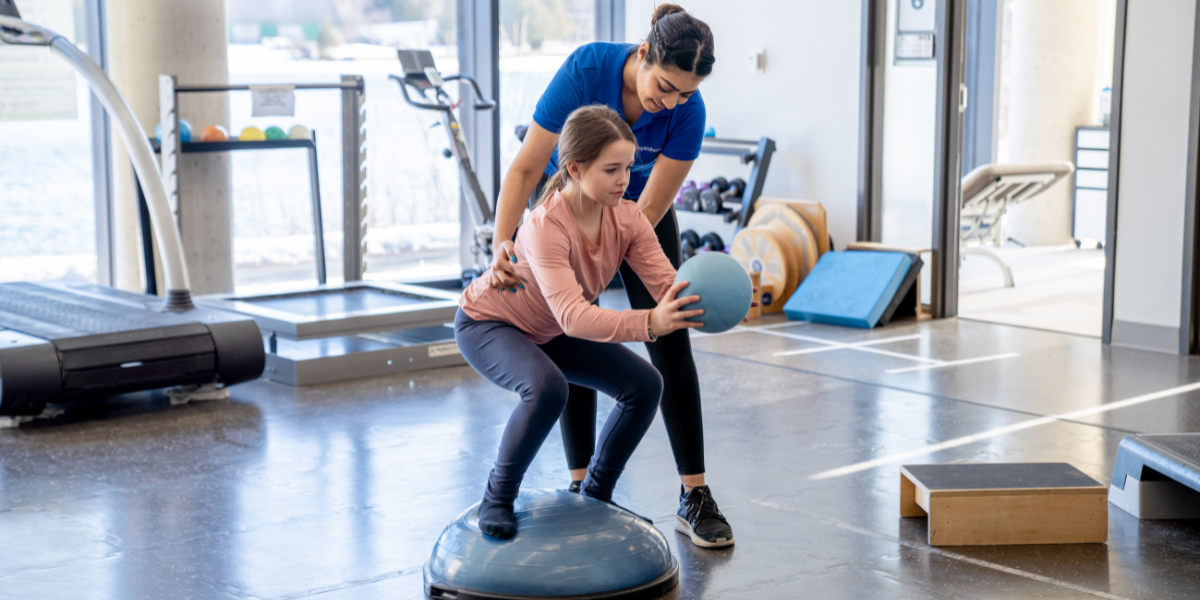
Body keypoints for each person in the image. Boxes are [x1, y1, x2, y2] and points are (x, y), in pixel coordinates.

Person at [487, 4, 734, 547]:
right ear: (644, 54)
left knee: (671, 337)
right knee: (573, 329)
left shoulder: (687, 112)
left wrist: (637, 272)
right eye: (665, 86)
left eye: (685, 93)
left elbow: (647, 209)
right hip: (568, 203)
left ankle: (694, 494)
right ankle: (583, 484)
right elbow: (526, 167)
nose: (672, 102)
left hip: (637, 212)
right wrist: (502, 243)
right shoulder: (586, 70)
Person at [455, 105, 706, 539]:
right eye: (611, 170)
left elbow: (667, 284)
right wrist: (650, 323)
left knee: (645, 384)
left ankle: (595, 495)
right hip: (489, 324)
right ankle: (497, 497)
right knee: (548, 388)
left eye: (628, 168)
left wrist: (713, 300)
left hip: (548, 328)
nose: (624, 180)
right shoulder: (545, 224)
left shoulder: (628, 218)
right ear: (574, 168)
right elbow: (573, 316)